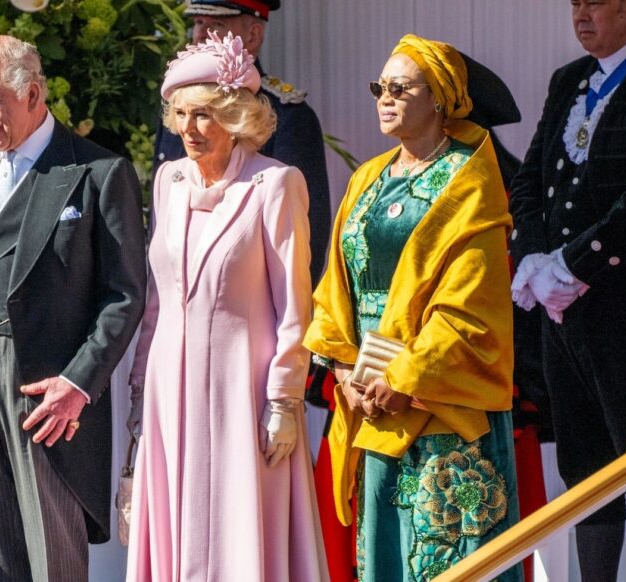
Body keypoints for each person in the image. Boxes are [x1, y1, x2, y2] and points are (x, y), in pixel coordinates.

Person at [304, 35, 521, 581]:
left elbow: (472, 304)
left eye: (401, 87)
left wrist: (405, 374)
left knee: (442, 551)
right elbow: (337, 287)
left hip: (438, 393)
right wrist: (344, 369)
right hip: (370, 391)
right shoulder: (367, 177)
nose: (385, 97)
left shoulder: (468, 179)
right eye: (381, 87)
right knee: (383, 547)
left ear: (441, 98)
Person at [0, 35, 146, 581]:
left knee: (52, 553)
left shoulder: (99, 172)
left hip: (47, 388)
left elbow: (125, 296)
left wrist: (78, 384)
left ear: (32, 93)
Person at [126, 31, 325, 581]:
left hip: (245, 392)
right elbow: (155, 302)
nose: (188, 129)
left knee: (242, 535)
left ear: (236, 117)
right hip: (172, 391)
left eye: (205, 115)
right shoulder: (169, 182)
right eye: (181, 114)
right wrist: (141, 395)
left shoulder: (276, 184)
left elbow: (295, 304)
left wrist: (284, 401)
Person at [509, 0, 626, 578]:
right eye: (575, 4)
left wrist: (572, 266)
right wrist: (534, 261)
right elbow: (529, 180)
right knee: (587, 474)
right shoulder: (568, 79)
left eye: (595, 2)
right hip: (563, 321)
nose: (581, 14)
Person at [153, 0, 331, 282]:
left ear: (253, 36)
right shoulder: (180, 107)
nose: (200, 35)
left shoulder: (286, 114)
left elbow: (304, 240)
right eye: (198, 23)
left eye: (217, 25)